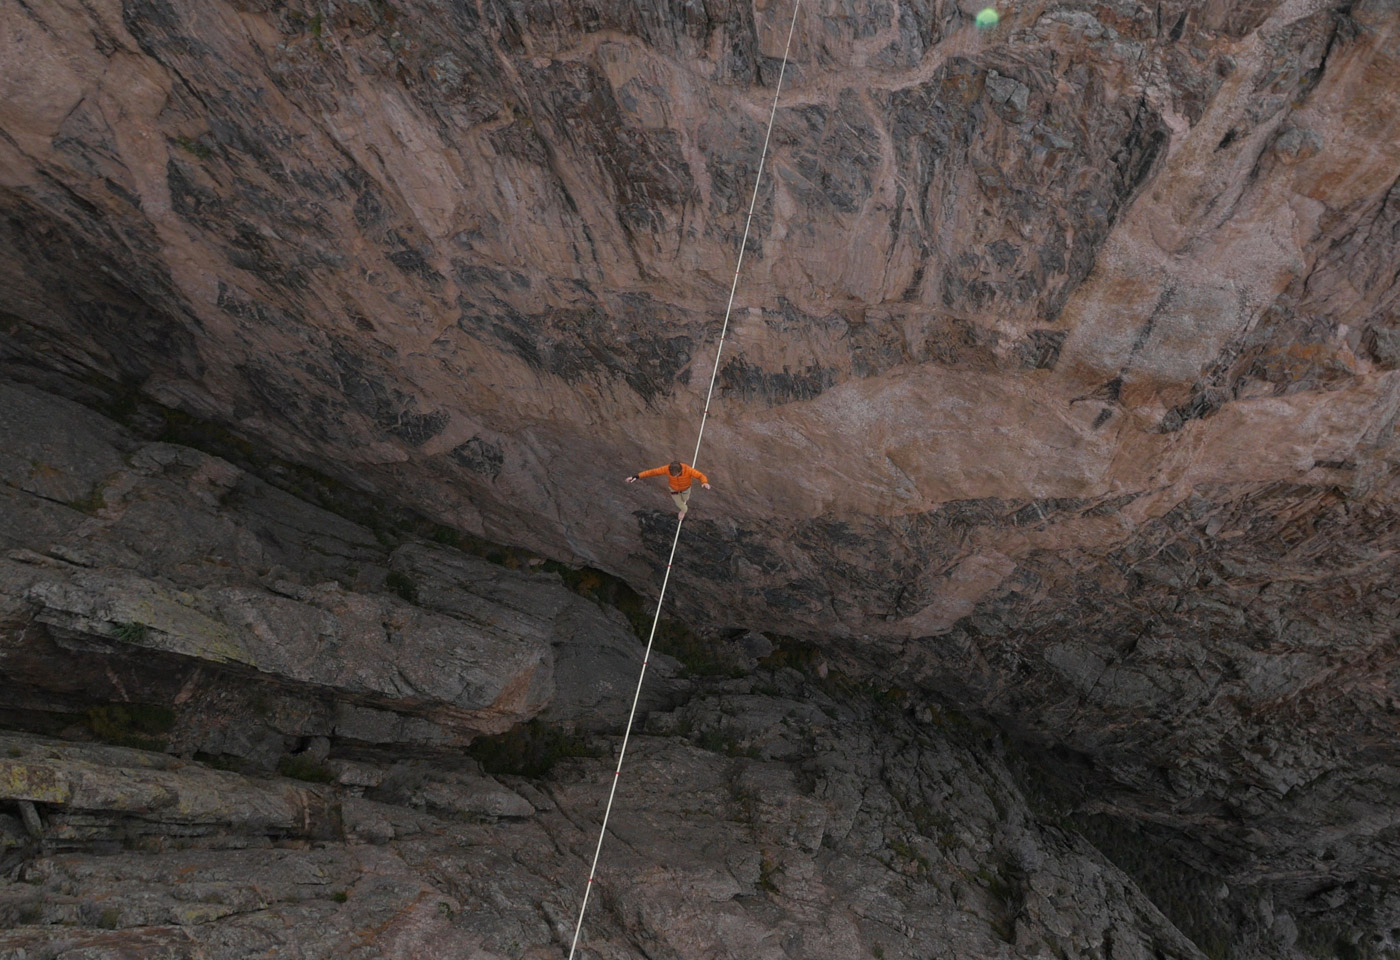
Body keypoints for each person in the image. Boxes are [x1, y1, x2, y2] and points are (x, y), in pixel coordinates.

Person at [626, 460, 711, 517]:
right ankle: (683, 511)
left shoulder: (688, 470)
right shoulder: (666, 469)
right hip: (674, 489)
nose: (675, 476)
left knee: (685, 499)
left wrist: (704, 482)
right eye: (672, 475)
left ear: (681, 471)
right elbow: (652, 472)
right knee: (682, 505)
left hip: (686, 488)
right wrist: (636, 476)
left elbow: (700, 475)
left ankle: (683, 503)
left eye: (676, 475)